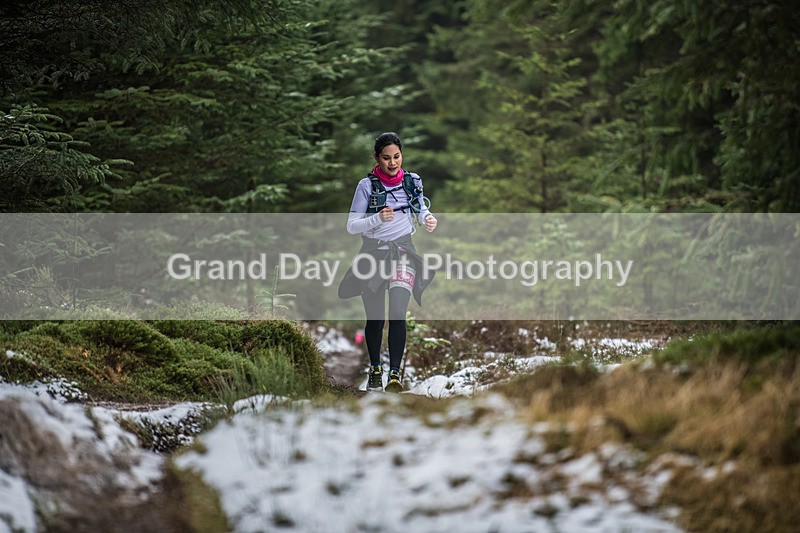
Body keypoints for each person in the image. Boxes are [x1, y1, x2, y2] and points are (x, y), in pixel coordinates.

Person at [338, 132, 437, 392]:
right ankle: (375, 369)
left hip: (404, 251)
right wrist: (377, 219)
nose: (392, 163)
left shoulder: (413, 181)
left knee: (397, 313)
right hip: (374, 254)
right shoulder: (366, 186)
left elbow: (420, 208)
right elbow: (351, 226)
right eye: (386, 158)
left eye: (397, 156)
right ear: (376, 158)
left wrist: (428, 218)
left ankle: (394, 374)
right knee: (375, 318)